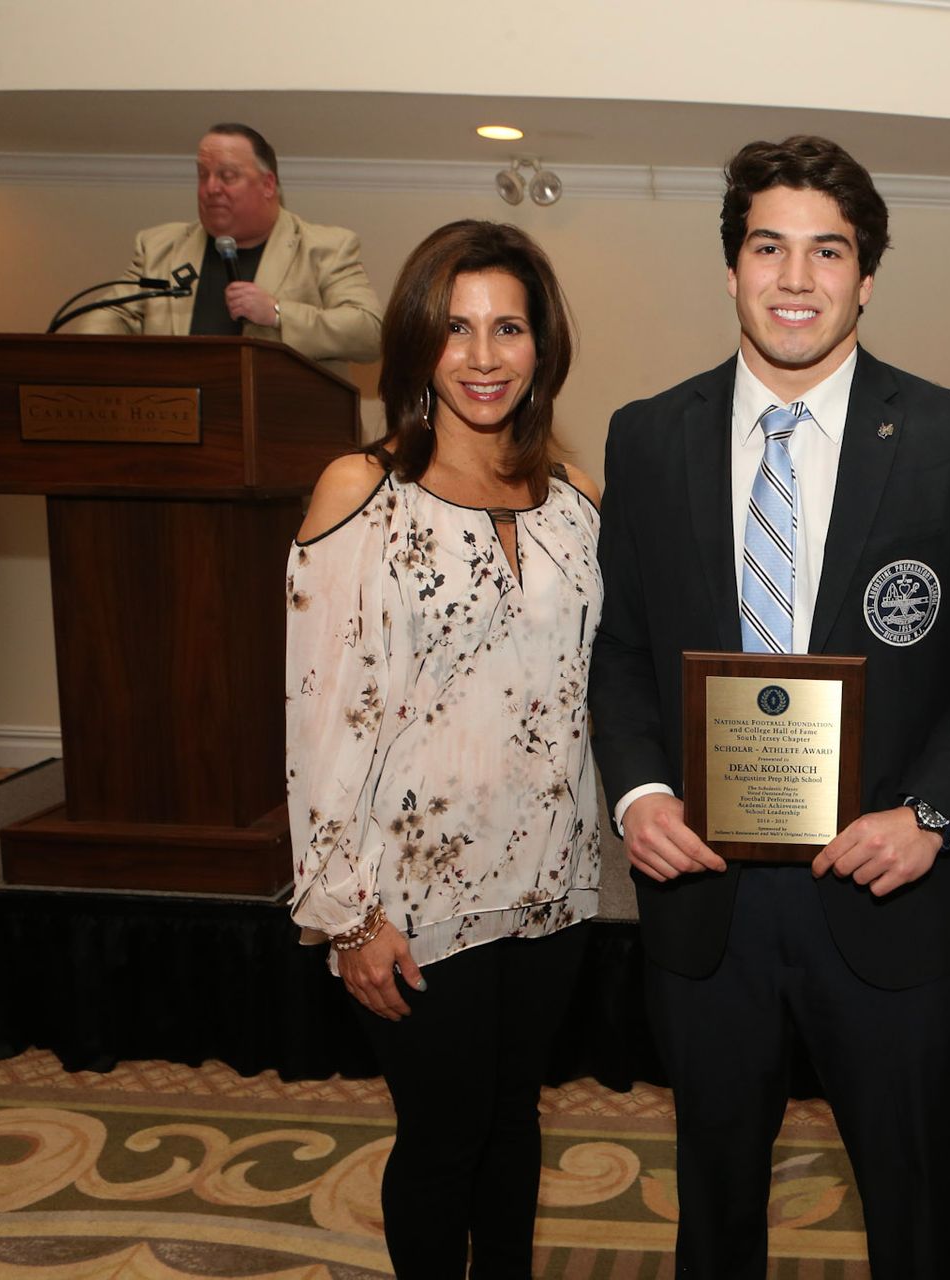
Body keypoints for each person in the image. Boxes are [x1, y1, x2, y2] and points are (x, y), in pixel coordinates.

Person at [589, 135, 950, 1278]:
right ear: (732, 267)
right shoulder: (648, 435)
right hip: (707, 900)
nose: (796, 278)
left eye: (827, 251)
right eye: (769, 247)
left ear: (867, 276)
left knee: (915, 1211)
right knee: (716, 1205)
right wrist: (641, 789)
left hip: (887, 893)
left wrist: (934, 814)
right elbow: (623, 650)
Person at [284, 219, 599, 1276]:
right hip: (413, 902)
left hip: (551, 885)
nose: (482, 354)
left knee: (514, 1119)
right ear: (418, 343)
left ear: (541, 346)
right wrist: (346, 912)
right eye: (455, 327)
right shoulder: (359, 492)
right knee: (443, 1134)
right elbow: (320, 715)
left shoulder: (575, 501)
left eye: (508, 326)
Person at [66, 124, 382, 373]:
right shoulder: (159, 247)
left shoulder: (325, 248)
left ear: (268, 185)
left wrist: (277, 313)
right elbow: (112, 313)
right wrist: (93, 359)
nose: (211, 188)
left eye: (227, 176)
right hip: (179, 426)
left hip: (290, 432)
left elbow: (370, 332)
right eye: (203, 175)